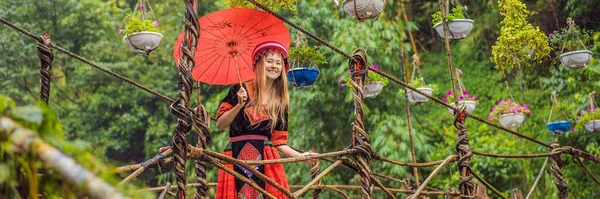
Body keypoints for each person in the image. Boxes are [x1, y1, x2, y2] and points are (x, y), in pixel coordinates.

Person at [215, 41, 317, 199]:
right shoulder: (239, 89)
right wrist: (238, 105)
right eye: (269, 61)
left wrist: (301, 156)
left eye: (278, 63)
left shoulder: (280, 102)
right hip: (235, 155)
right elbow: (220, 124)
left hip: (267, 159)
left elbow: (279, 142)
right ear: (259, 64)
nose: (274, 66)